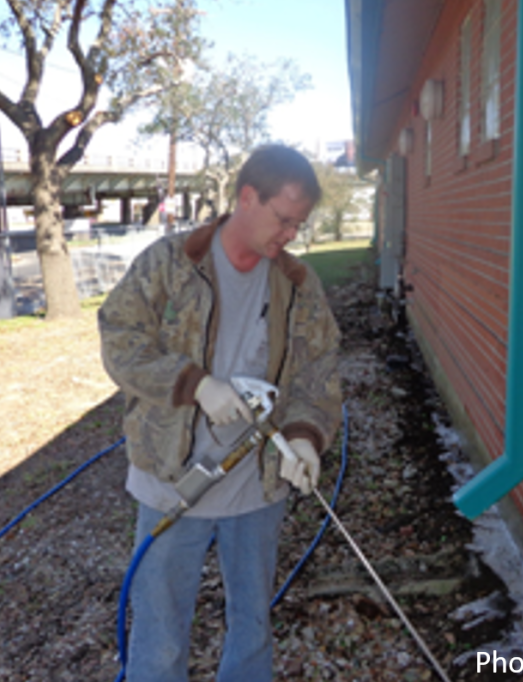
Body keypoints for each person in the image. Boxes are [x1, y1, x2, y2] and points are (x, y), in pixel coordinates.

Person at [97, 144, 342, 682]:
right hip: (170, 484)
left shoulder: (297, 284)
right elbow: (119, 336)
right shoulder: (170, 262)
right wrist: (193, 384)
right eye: (283, 219)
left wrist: (304, 438)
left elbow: (316, 372)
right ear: (247, 198)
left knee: (252, 633)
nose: (290, 235)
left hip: (257, 489)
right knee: (159, 642)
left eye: (298, 224)